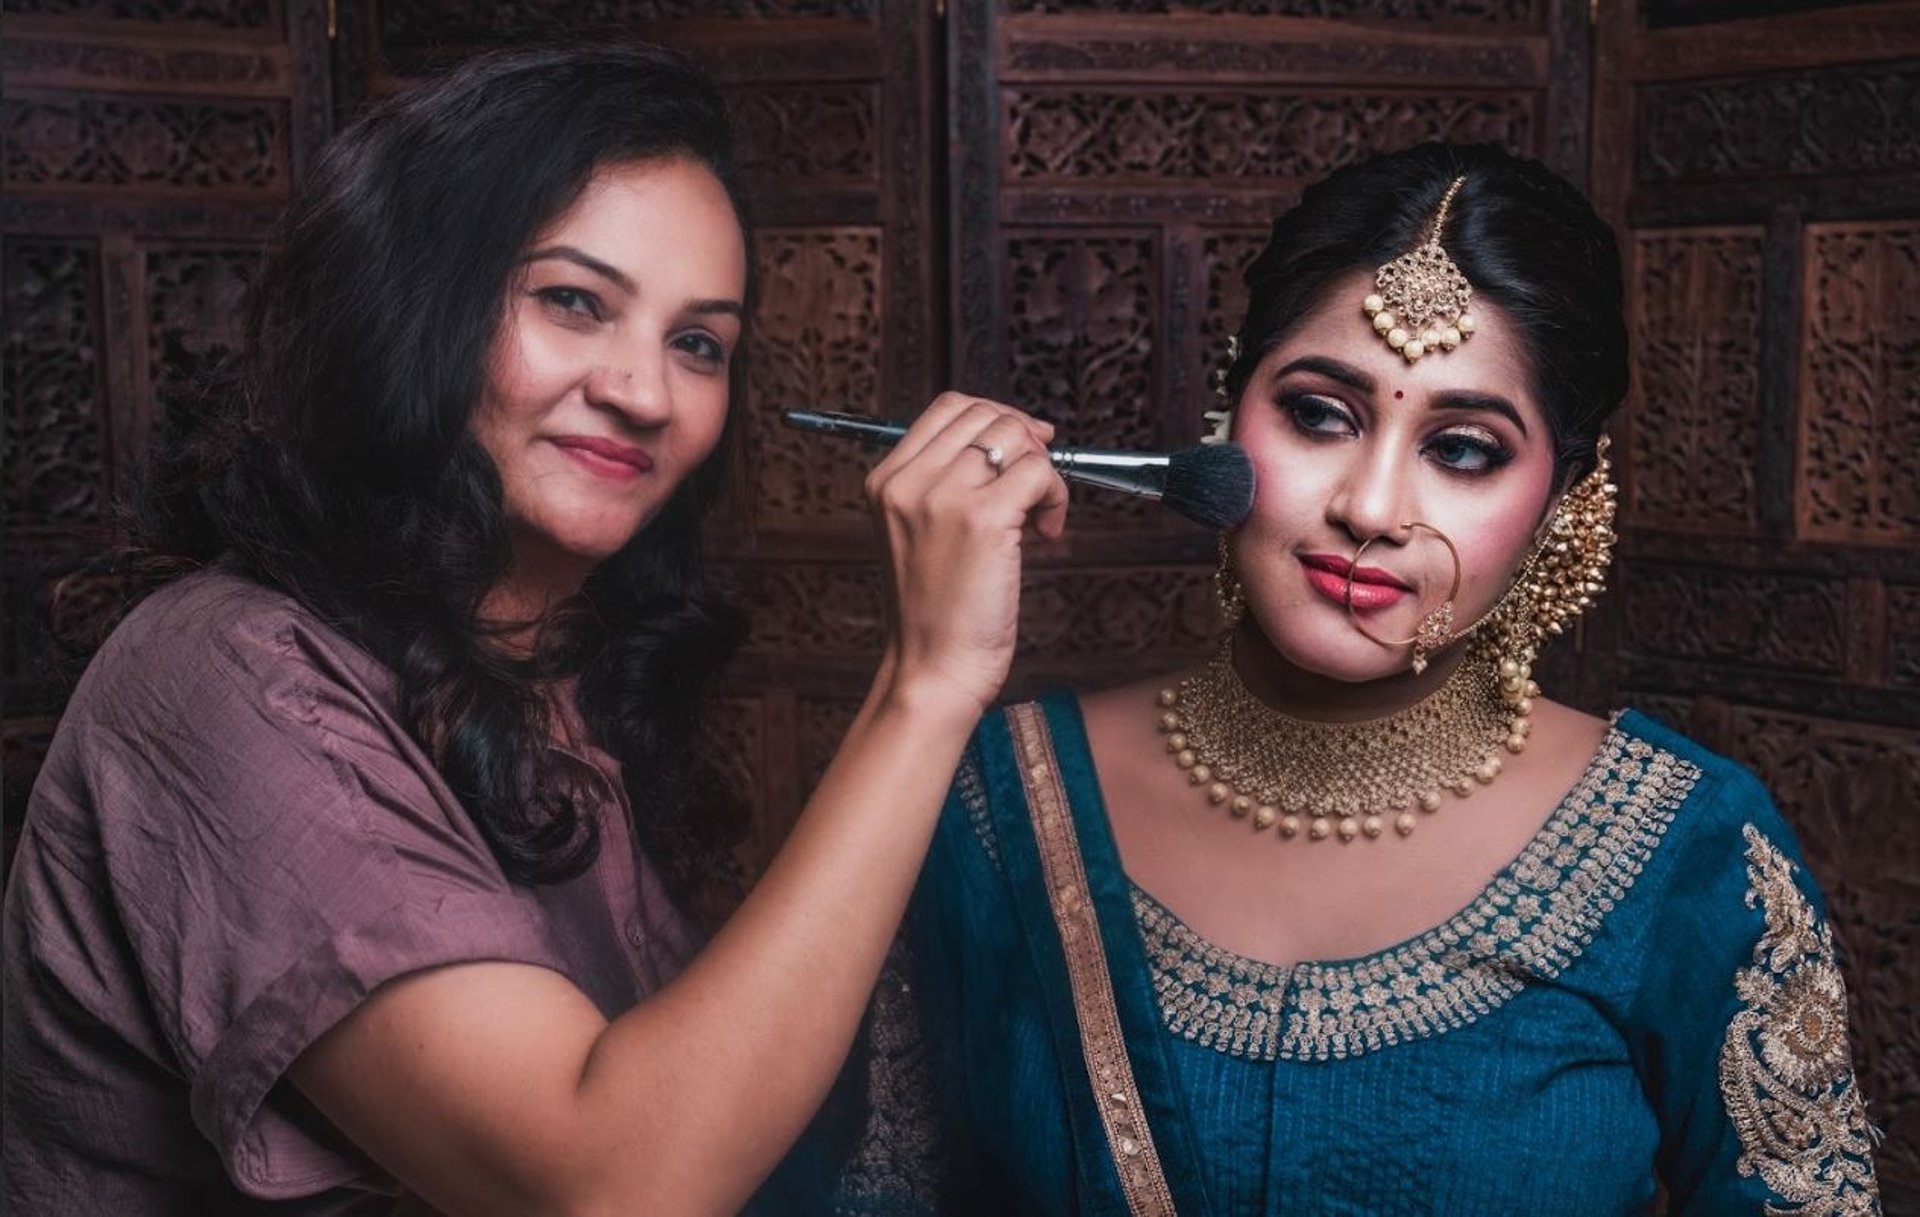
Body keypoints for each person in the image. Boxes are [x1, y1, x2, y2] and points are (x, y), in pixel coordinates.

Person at [2, 45, 1068, 1216]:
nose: (646, 392)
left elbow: (722, 1101)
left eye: (697, 341)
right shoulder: (220, 674)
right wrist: (925, 681)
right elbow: (614, 1185)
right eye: (575, 301)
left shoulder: (547, 667)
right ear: (419, 302)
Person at [889, 143, 1882, 1214]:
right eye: (1320, 413)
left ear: (1564, 500)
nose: (1368, 505)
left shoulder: (1689, 849)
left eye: (1462, 449)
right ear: (1231, 414)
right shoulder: (1000, 796)